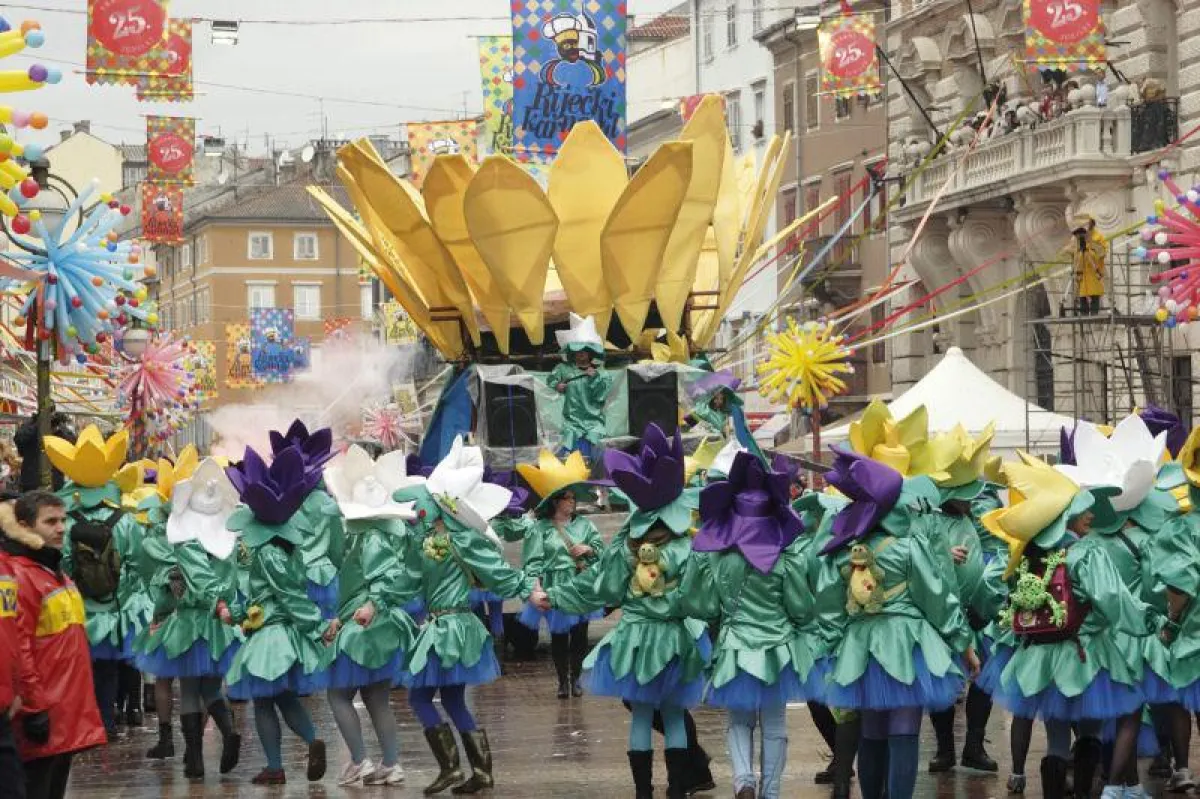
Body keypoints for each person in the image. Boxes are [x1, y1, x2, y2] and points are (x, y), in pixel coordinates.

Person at [534, 424, 708, 799]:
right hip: (675, 639)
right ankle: (677, 790)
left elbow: (597, 587)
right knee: (674, 714)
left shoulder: (624, 548)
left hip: (633, 638)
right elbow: (702, 598)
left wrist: (556, 596)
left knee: (643, 715)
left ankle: (642, 793)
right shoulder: (687, 548)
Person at [983, 453, 1162, 799]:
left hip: (1040, 658)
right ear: (1066, 515)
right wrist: (1150, 621)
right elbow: (1113, 599)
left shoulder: (1031, 553)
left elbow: (995, 587)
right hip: (1085, 656)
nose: (1091, 515)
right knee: (1091, 733)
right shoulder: (1086, 553)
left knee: (1055, 740)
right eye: (1083, 510)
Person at [818, 447, 978, 799]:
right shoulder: (909, 547)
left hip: (862, 648)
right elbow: (937, 599)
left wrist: (829, 648)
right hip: (908, 646)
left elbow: (829, 605)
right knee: (904, 730)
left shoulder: (848, 551)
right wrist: (963, 643)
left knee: (872, 730)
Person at [391, 436, 539, 796]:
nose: (417, 512)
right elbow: (408, 579)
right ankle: (480, 774)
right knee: (452, 699)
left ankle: (452, 769)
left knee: (420, 698)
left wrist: (526, 588)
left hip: (448, 627)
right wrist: (377, 600)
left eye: (422, 506)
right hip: (447, 625)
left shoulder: (458, 539)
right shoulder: (425, 541)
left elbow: (494, 570)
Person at [684, 451, 816, 799]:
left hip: (735, 647)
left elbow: (705, 606)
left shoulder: (718, 557)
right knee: (774, 726)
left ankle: (743, 780)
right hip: (777, 650)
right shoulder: (785, 559)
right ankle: (770, 793)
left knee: (738, 722)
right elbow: (802, 609)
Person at [222, 441, 334, 786]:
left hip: (271, 633)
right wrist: (238, 614)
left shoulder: (266, 552)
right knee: (281, 695)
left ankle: (275, 765)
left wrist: (316, 627)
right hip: (276, 632)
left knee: (262, 700)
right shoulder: (284, 547)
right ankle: (312, 740)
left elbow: (286, 594)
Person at [136, 458, 243, 780]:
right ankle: (227, 732)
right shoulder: (230, 537)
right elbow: (232, 580)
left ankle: (195, 759)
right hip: (220, 624)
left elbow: (193, 582)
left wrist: (161, 614)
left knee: (189, 689)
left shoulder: (183, 540)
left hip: (189, 624)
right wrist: (225, 605)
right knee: (210, 687)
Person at [321, 446, 420, 787]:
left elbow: (382, 579)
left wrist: (369, 606)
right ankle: (390, 764)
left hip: (365, 624)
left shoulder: (369, 536)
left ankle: (360, 761)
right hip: (372, 622)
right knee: (376, 696)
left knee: (337, 694)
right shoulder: (380, 533)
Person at [46, 426, 152, 738]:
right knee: (109, 670)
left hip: (79, 608)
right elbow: (141, 561)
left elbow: (61, 563)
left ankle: (85, 722)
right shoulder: (125, 519)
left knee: (81, 670)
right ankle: (107, 721)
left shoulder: (66, 522)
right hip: (115, 609)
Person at [2, 491, 105, 799]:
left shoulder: (54, 572)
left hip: (65, 710)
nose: (61, 528)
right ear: (23, 525)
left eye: (63, 520)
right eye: (50, 522)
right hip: (44, 711)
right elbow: (19, 648)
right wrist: (35, 708)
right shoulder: (21, 575)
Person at [498, 450, 605, 699]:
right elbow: (532, 561)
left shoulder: (585, 525)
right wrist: (535, 587)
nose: (572, 502)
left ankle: (576, 679)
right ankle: (562, 683)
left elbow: (602, 553)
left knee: (580, 634)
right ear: (556, 501)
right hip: (555, 585)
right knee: (558, 636)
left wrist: (587, 548)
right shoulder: (541, 529)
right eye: (567, 498)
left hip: (580, 583)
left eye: (573, 498)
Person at [547, 313, 611, 460]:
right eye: (577, 351)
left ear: (590, 352)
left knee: (594, 454)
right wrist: (558, 385)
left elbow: (600, 397)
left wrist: (594, 378)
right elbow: (551, 380)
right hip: (572, 422)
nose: (580, 354)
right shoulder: (563, 369)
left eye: (584, 351)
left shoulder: (602, 374)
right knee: (570, 452)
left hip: (594, 422)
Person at [14, 412, 73, 493]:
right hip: (32, 481)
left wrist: (59, 427)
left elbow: (73, 443)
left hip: (54, 481)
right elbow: (18, 438)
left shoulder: (59, 427)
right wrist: (39, 424)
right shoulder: (30, 424)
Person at [1066, 214, 1106, 315]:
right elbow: (1066, 252)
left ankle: (1094, 316)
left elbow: (1102, 253)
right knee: (1082, 295)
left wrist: (1090, 243)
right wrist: (1076, 247)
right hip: (1081, 272)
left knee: (1094, 295)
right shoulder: (1075, 239)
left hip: (1094, 272)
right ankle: (1083, 316)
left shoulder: (1098, 237)